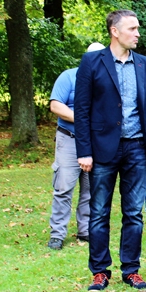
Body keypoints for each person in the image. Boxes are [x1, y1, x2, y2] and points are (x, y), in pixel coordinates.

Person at [74, 10, 146, 291]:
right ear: (115, 31)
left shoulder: (145, 65)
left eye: (138, 28)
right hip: (102, 150)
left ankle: (131, 270)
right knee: (99, 211)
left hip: (137, 147)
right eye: (132, 29)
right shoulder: (92, 62)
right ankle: (100, 272)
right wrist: (84, 151)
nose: (138, 33)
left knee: (133, 213)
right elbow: (82, 109)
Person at [47, 42, 106, 251]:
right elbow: (55, 105)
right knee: (64, 187)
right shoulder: (69, 76)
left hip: (96, 141)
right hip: (69, 138)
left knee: (91, 189)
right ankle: (57, 234)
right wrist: (82, 120)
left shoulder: (105, 80)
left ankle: (86, 230)